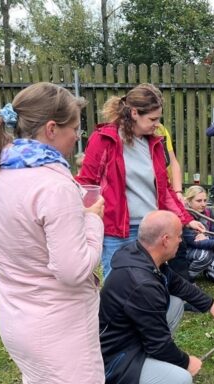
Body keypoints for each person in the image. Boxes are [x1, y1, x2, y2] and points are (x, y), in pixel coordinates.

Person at [0, 82, 105, 384]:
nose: (77, 138)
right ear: (52, 129)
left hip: (16, 318)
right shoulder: (54, 185)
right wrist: (92, 220)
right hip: (56, 328)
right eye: (75, 129)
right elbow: (73, 269)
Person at [93, 211, 214, 384]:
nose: (181, 241)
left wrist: (209, 304)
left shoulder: (141, 255)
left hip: (131, 340)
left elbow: (176, 283)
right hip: (114, 360)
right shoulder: (142, 284)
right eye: (179, 236)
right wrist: (186, 362)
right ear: (165, 240)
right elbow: (159, 344)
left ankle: (148, 368)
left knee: (174, 304)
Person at [76, 83, 204, 278]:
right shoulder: (104, 140)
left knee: (151, 282)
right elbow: (87, 183)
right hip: (116, 230)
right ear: (134, 113)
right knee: (118, 284)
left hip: (150, 229)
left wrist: (186, 219)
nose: (157, 124)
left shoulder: (155, 144)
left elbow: (165, 189)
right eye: (153, 119)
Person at [155, 122, 185, 203]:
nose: (157, 124)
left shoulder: (160, 129)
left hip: (166, 191)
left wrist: (178, 192)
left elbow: (172, 162)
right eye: (152, 119)